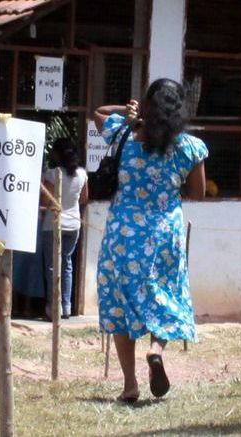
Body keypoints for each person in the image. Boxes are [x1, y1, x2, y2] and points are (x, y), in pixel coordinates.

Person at [93, 78, 207, 402]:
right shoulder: (188, 146)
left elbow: (98, 113)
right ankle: (156, 350)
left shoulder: (125, 132)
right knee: (167, 295)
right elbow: (198, 193)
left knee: (120, 306)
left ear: (147, 104)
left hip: (122, 234)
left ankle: (130, 386)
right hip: (163, 233)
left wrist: (130, 112)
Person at [40, 138, 88, 320]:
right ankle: (67, 307)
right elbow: (84, 199)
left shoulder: (52, 174)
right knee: (67, 264)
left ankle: (54, 308)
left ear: (57, 154)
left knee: (52, 266)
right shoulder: (82, 174)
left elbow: (46, 201)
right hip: (73, 224)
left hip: (53, 224)